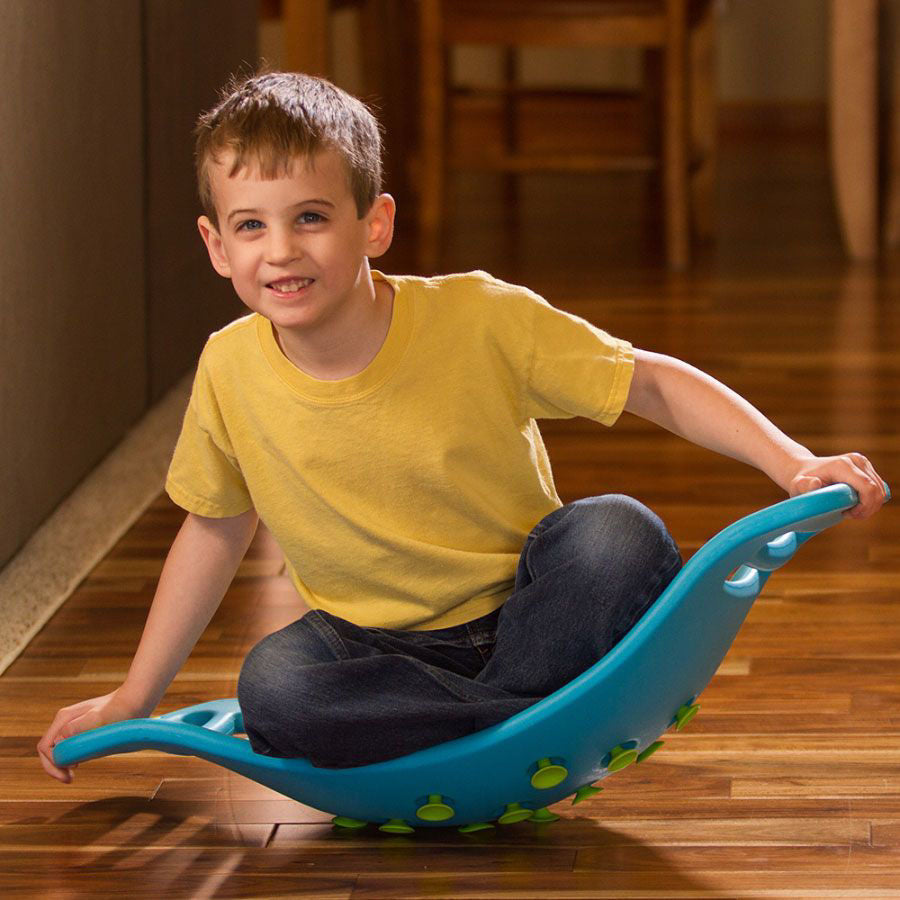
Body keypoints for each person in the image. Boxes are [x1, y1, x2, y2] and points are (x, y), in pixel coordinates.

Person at [38, 71, 887, 780]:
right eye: (250, 226)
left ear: (375, 223)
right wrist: (136, 697)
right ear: (217, 245)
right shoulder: (228, 368)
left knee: (618, 535)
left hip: (529, 604)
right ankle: (525, 720)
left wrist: (792, 463)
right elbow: (214, 529)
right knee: (274, 689)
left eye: (311, 217)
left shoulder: (478, 317)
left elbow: (653, 385)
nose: (281, 250)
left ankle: (477, 718)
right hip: (371, 649)